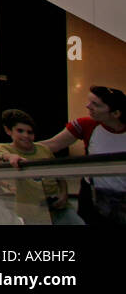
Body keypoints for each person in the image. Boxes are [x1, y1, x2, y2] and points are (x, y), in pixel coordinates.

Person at [37, 85, 126, 224]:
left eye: (95, 104)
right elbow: (52, 145)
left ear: (115, 113)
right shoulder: (87, 125)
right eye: (89, 101)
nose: (88, 106)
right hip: (93, 197)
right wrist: (9, 151)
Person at [0, 109, 81, 225]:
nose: (26, 135)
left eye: (30, 132)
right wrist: (12, 157)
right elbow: (3, 154)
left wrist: (64, 194)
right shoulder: (5, 147)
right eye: (20, 131)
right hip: (32, 209)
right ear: (8, 130)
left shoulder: (43, 149)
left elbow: (59, 175)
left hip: (56, 203)